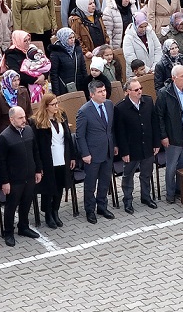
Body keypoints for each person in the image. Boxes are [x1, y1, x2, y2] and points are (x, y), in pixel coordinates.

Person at [0, 106, 42, 245]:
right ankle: (8, 232)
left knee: (27, 202)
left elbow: (35, 151)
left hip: (29, 176)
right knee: (11, 206)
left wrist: (38, 170)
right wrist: (5, 182)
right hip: (14, 180)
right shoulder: (4, 137)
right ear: (11, 119)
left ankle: (23, 226)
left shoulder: (29, 130)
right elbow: (1, 162)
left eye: (24, 117)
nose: (24, 120)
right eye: (20, 118)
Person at [113, 79, 162, 209]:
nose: (140, 91)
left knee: (146, 173)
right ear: (128, 92)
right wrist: (124, 152)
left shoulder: (148, 101)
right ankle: (127, 200)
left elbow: (154, 123)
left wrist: (156, 142)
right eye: (136, 90)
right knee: (128, 176)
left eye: (140, 88)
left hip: (147, 145)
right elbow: (120, 132)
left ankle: (146, 197)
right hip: (131, 148)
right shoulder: (120, 108)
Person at [32, 94, 76, 229]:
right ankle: (48, 213)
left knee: (60, 186)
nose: (56, 106)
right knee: (49, 188)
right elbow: (36, 146)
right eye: (53, 104)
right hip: (48, 160)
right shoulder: (37, 122)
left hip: (62, 157)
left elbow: (68, 138)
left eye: (57, 103)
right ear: (46, 106)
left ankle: (55, 211)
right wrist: (39, 166)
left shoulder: (61, 115)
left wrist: (72, 157)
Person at [76, 78, 118, 221]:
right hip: (92, 155)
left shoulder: (109, 105)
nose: (103, 94)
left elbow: (111, 129)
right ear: (92, 94)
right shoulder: (84, 111)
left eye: (104, 91)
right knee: (90, 184)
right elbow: (80, 136)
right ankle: (90, 210)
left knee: (105, 181)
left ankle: (102, 207)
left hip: (108, 151)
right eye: (100, 92)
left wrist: (115, 145)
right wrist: (85, 153)